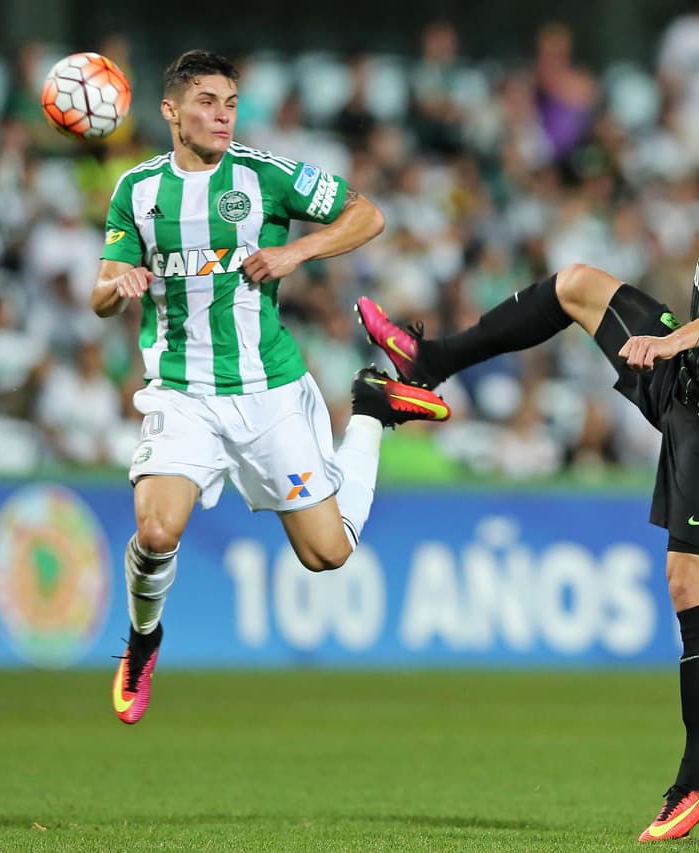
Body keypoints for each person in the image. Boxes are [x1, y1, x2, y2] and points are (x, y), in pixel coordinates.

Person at [357, 92, 699, 842]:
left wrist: (672, 342)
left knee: (690, 582)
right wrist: (676, 346)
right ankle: (427, 361)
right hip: (686, 384)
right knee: (575, 284)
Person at [92, 50, 451, 725]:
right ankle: (143, 640)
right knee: (157, 526)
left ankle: (370, 407)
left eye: (229, 101)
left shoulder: (264, 175)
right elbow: (101, 293)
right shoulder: (136, 190)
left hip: (269, 391)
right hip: (182, 391)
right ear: (170, 112)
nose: (222, 115)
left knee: (328, 554)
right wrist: (119, 285)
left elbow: (367, 214)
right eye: (206, 102)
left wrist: (297, 251)